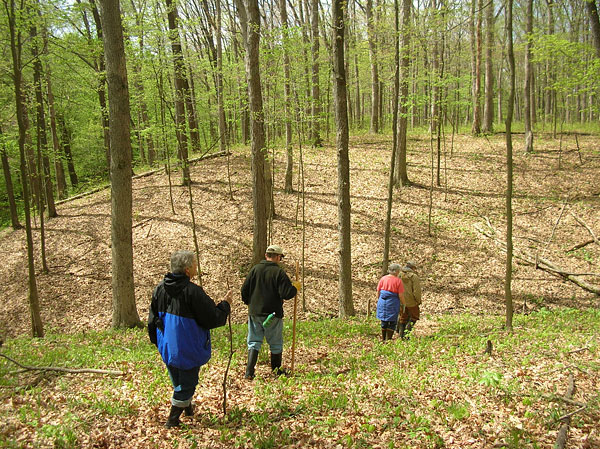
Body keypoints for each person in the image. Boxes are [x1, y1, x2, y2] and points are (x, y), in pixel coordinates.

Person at [148, 250, 232, 428]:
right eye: (194, 264)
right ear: (187, 270)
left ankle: (188, 410)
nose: (196, 267)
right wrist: (225, 305)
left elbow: (152, 320)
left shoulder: (159, 289)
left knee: (179, 380)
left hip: (168, 346)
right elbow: (212, 317)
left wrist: (159, 342)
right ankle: (172, 421)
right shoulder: (192, 292)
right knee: (187, 384)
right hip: (188, 346)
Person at [241, 244, 300, 379]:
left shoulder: (255, 270)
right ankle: (276, 371)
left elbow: (244, 290)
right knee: (275, 343)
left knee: (254, 341)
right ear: (278, 257)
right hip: (273, 314)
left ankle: (249, 372)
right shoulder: (279, 273)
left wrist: (249, 304)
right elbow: (286, 293)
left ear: (266, 255)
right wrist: (294, 288)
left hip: (255, 313)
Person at [376, 263, 405, 341]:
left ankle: (383, 339)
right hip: (393, 303)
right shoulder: (398, 281)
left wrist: (379, 300)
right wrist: (403, 303)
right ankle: (388, 339)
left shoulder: (383, 279)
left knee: (384, 320)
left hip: (382, 301)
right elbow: (401, 295)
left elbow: (378, 291)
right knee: (392, 321)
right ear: (396, 271)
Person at [396, 261, 422, 339]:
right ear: (412, 268)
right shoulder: (414, 277)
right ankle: (407, 334)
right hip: (411, 301)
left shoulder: (399, 275)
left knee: (403, 317)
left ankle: (401, 335)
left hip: (400, 300)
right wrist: (418, 300)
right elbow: (416, 291)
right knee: (414, 316)